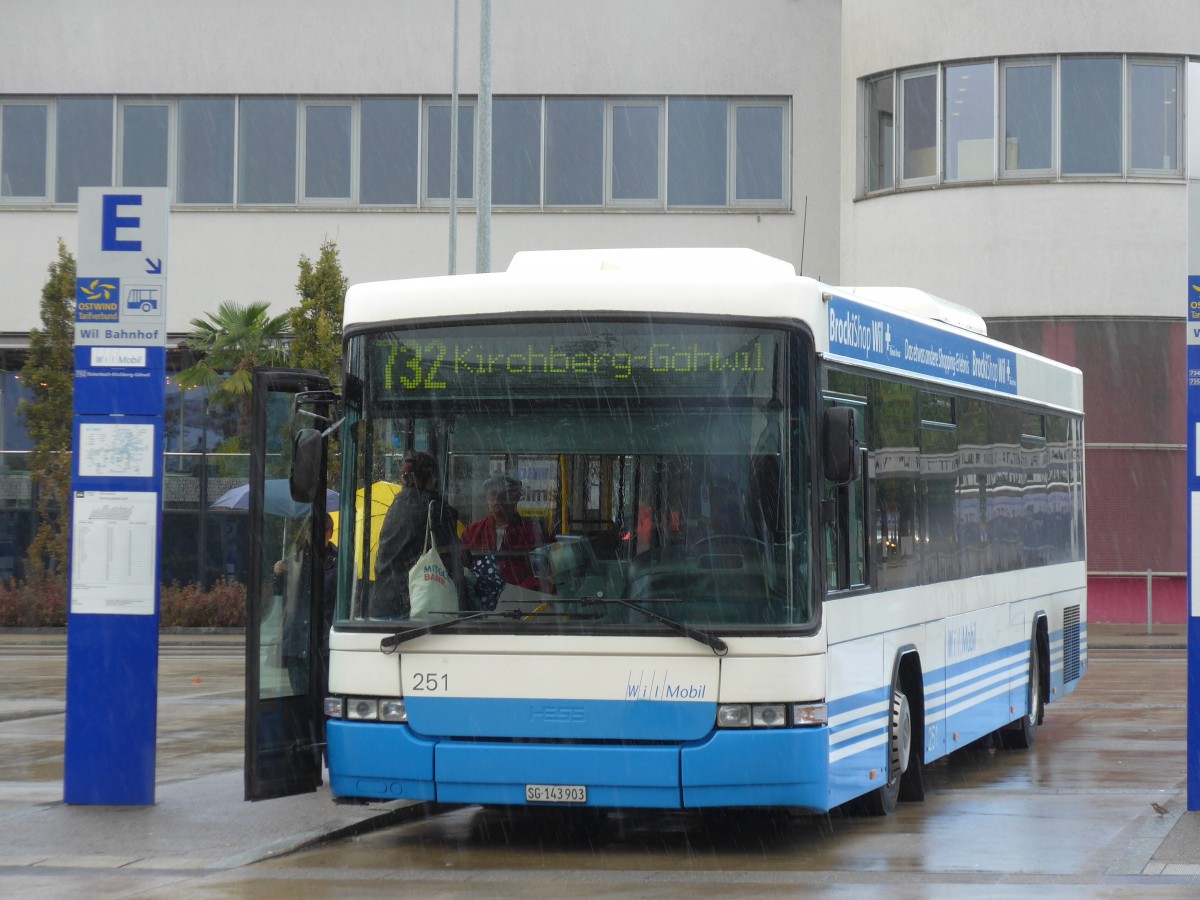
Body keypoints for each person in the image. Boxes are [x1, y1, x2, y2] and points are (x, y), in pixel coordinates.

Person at [371, 451, 463, 618]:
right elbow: (453, 559)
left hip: (381, 606)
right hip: (414, 606)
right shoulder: (435, 508)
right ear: (433, 478)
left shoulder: (396, 504)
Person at [279, 513, 338, 696]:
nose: (313, 535)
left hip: (324, 642)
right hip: (298, 643)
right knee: (300, 697)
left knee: (325, 698)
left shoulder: (339, 562)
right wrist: (278, 572)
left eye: (320, 530)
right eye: (310, 531)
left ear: (330, 532)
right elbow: (284, 595)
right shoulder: (295, 560)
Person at [462, 475, 548, 590]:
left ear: (516, 498)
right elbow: (460, 569)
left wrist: (516, 593)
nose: (497, 498)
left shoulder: (533, 532)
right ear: (487, 498)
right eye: (493, 493)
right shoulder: (472, 531)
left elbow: (544, 574)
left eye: (504, 494)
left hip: (523, 601)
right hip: (480, 603)